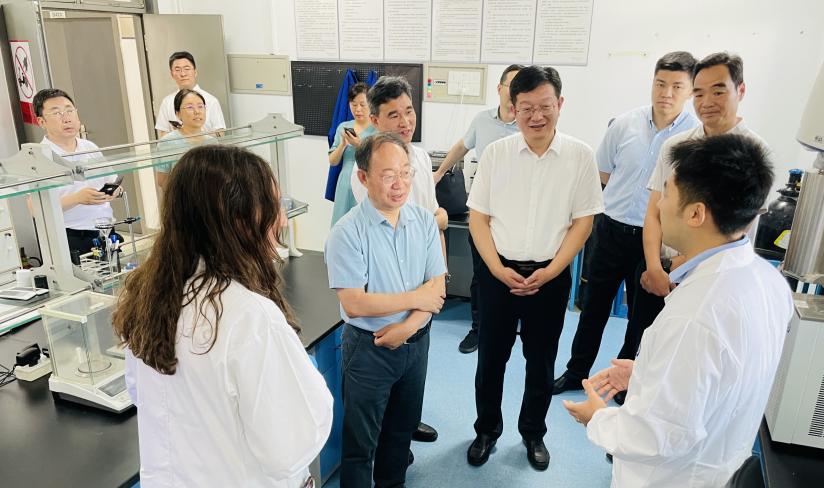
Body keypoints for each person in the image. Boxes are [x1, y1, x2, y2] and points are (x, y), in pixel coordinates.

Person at [563, 133, 792, 487]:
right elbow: (722, 375)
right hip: (723, 461)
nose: (657, 206)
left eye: (666, 193)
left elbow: (657, 436)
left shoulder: (696, 314)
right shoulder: (768, 280)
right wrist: (649, 374)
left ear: (696, 213)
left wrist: (597, 418)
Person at [114, 145, 333, 487]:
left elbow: (140, 393)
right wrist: (310, 384)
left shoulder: (147, 298)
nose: (282, 220)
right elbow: (288, 449)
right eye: (274, 206)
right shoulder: (249, 316)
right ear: (239, 222)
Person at [467, 66, 604, 471]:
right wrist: (495, 269)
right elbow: (478, 218)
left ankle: (533, 433)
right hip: (499, 274)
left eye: (545, 106)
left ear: (560, 104)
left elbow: (583, 222)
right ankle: (486, 430)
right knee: (490, 360)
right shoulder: (496, 154)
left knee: (541, 361)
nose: (536, 116)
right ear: (513, 109)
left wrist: (552, 270)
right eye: (526, 107)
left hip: (550, 275)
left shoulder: (580, 156)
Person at [553, 52, 700, 399]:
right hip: (610, 231)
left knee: (642, 319)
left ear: (690, 90)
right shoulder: (623, 124)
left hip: (656, 240)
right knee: (593, 308)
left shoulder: (694, 138)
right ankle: (576, 372)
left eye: (677, 86)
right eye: (660, 83)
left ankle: (626, 381)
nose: (666, 93)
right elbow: (601, 176)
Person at [325, 132, 447, 487]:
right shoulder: (346, 232)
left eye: (406, 173)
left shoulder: (424, 221)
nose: (400, 184)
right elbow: (354, 303)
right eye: (389, 175)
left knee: (400, 435)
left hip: (416, 344)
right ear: (363, 177)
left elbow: (437, 290)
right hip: (369, 349)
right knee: (361, 445)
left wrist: (407, 328)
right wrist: (417, 298)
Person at [636, 52, 768, 353]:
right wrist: (655, 267)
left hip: (712, 276)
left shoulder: (754, 153)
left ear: (740, 90)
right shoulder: (676, 146)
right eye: (698, 93)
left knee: (690, 352)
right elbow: (654, 211)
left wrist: (680, 266)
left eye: (718, 91)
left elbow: (737, 228)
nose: (707, 101)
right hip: (661, 269)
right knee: (642, 346)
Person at [349, 76, 448, 446]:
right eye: (394, 115)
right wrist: (435, 220)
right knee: (387, 367)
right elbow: (399, 223)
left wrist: (440, 271)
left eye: (409, 111)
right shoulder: (366, 171)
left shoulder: (418, 156)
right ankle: (393, 436)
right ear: (375, 120)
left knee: (415, 365)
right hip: (394, 286)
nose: (405, 121)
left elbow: (432, 214)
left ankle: (407, 423)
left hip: (425, 277)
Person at [432, 64, 523, 354]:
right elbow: (462, 147)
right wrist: (438, 173)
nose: (516, 92)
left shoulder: (528, 123)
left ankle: (508, 328)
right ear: (499, 88)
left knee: (514, 271)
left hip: (517, 216)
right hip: (483, 214)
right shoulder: (482, 120)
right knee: (481, 275)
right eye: (511, 85)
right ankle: (478, 329)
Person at [34, 88, 121, 256]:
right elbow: (35, 209)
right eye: (56, 113)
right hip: (70, 237)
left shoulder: (89, 147)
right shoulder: (38, 157)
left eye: (69, 111)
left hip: (105, 231)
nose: (66, 118)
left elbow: (111, 180)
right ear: (41, 122)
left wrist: (115, 190)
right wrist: (77, 198)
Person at [329, 82, 373, 226]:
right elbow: (333, 161)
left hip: (366, 182)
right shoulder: (343, 127)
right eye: (354, 104)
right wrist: (343, 144)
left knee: (363, 224)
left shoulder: (377, 129)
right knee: (341, 224)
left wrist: (359, 144)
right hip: (345, 181)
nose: (358, 109)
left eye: (362, 104)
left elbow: (379, 159)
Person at [155, 51, 226, 138]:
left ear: (195, 72)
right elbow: (163, 134)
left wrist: (194, 136)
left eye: (187, 69)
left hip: (206, 146)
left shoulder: (211, 100)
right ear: (172, 74)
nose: (183, 74)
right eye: (177, 70)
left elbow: (220, 133)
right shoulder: (167, 102)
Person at [155, 89, 214, 189]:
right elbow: (162, 180)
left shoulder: (212, 142)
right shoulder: (167, 142)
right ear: (178, 113)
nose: (197, 111)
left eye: (200, 106)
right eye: (190, 107)